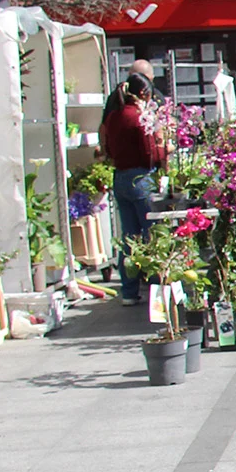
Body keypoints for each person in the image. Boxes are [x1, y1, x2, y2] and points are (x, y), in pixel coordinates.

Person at [99, 73, 162, 306]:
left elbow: (107, 147)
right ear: (144, 94)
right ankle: (157, 288)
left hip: (120, 177)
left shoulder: (113, 116)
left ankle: (128, 291)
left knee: (129, 238)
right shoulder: (139, 117)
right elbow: (149, 154)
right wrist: (164, 151)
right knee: (153, 234)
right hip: (141, 177)